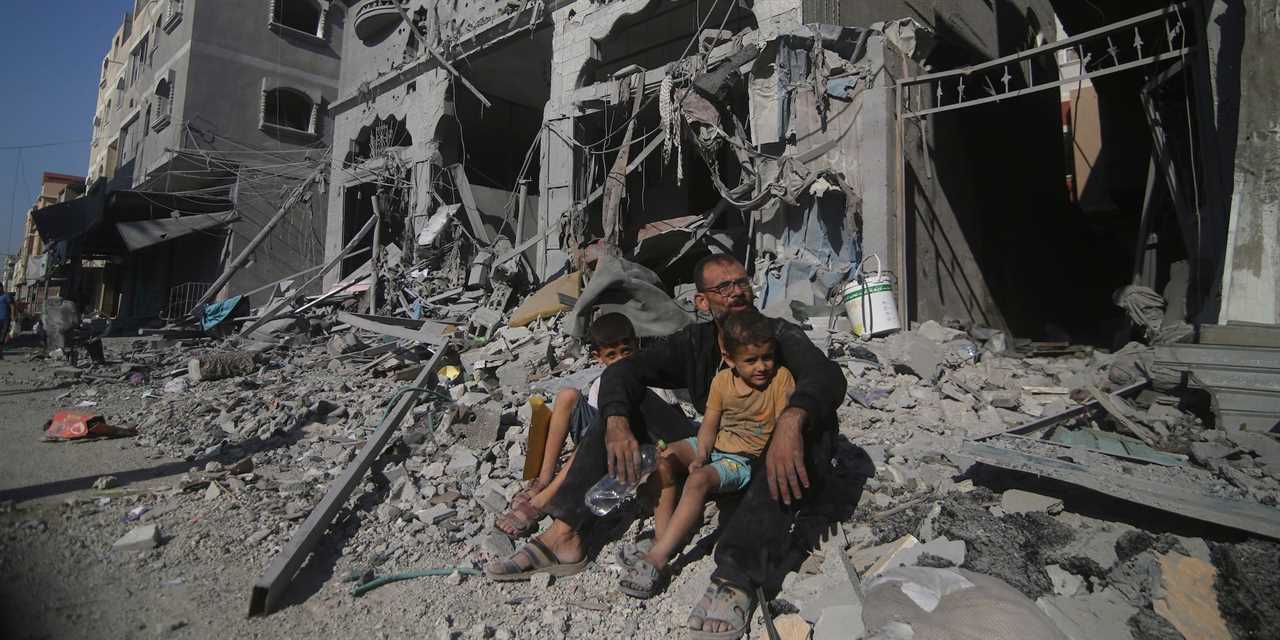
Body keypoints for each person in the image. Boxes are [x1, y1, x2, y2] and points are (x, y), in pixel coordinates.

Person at [485, 255, 847, 640]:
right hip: (719, 446)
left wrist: (792, 419)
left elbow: (826, 375)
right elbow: (626, 370)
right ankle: (565, 534)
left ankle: (737, 577)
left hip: (768, 456)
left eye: (741, 282)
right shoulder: (695, 342)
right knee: (621, 409)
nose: (736, 291)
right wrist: (617, 421)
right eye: (723, 287)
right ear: (702, 302)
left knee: (809, 422)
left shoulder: (776, 335)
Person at [618, 308, 794, 599]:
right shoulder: (722, 382)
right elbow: (709, 427)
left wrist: (704, 467)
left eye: (767, 357)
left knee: (698, 482)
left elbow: (783, 430)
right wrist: (700, 454)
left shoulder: (780, 380)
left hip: (743, 460)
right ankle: (666, 534)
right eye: (750, 360)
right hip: (716, 445)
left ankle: (657, 559)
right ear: (729, 360)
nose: (762, 367)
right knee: (665, 459)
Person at [493, 313, 674, 538]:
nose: (621, 361)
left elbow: (662, 428)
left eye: (626, 352)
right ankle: (544, 479)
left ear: (636, 346)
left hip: (628, 449)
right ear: (598, 357)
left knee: (600, 428)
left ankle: (542, 501)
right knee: (568, 395)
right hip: (598, 442)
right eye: (612, 355)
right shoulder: (601, 384)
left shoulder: (649, 382)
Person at [0, 287, 14, 359]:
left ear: (1, 288)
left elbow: (12, 306)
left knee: (3, 336)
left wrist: (12, 317)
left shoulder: (7, 295)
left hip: (5, 319)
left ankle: (0, 353)